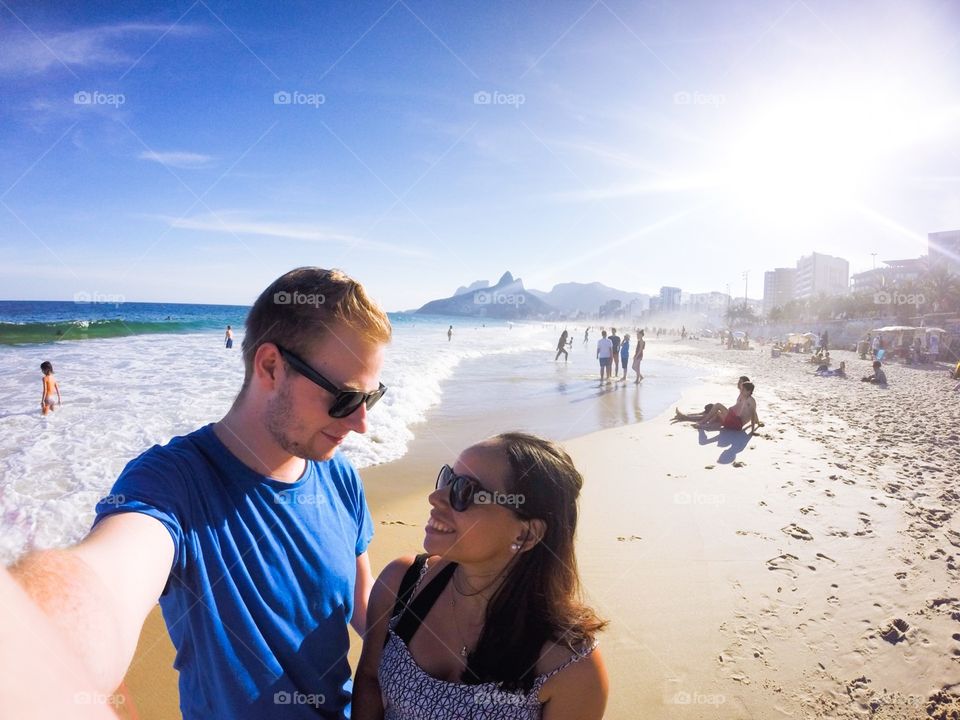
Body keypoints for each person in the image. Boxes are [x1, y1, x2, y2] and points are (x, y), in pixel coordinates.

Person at [4, 268, 392, 719]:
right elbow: (103, 584)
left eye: (372, 397)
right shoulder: (172, 484)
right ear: (270, 367)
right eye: (344, 399)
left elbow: (363, 607)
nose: (362, 423)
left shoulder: (340, 477)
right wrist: (29, 644)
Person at [353, 433, 608, 719]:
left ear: (525, 534)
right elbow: (369, 678)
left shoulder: (569, 664)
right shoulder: (403, 583)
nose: (436, 497)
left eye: (465, 490)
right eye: (448, 479)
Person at [674, 376, 750, 423]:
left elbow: (752, 409)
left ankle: (685, 417)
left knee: (712, 411)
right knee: (710, 408)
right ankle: (686, 415)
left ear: (744, 385)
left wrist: (756, 422)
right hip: (730, 414)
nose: (738, 383)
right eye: (738, 381)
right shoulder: (741, 394)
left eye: (740, 382)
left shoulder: (745, 396)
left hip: (732, 418)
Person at [696, 382, 762, 432]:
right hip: (733, 422)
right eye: (741, 389)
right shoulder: (743, 397)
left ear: (749, 391)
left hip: (737, 424)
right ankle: (707, 425)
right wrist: (758, 422)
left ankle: (702, 422)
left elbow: (753, 414)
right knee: (718, 413)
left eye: (743, 390)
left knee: (718, 405)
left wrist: (753, 430)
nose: (741, 391)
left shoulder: (751, 401)